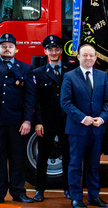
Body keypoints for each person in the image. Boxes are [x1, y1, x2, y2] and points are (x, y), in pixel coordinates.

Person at [0, 33, 35, 204]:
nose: (7, 49)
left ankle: (18, 192)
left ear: (15, 49)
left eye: (10, 46)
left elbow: (29, 98)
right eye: (3, 46)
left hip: (17, 122)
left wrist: (27, 121)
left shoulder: (25, 69)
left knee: (17, 158)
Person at [61, 44, 108, 208]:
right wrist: (82, 118)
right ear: (78, 57)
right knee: (76, 164)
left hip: (96, 129)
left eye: (92, 55)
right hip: (78, 129)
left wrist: (103, 118)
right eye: (85, 55)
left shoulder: (102, 76)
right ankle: (76, 198)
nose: (89, 58)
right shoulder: (69, 76)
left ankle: (94, 197)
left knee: (94, 165)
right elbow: (65, 102)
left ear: (96, 58)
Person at [32, 35, 70, 202]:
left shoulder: (70, 71)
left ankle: (67, 188)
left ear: (61, 50)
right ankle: (40, 190)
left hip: (66, 121)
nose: (53, 52)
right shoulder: (38, 73)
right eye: (50, 49)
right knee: (42, 158)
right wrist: (38, 122)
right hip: (46, 122)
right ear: (45, 51)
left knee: (68, 157)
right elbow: (36, 101)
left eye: (56, 49)